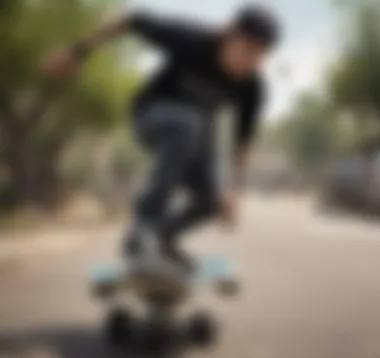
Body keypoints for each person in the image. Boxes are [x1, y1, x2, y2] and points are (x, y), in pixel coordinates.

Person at [43, 3, 281, 276]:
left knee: (214, 197)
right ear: (229, 34)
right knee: (188, 122)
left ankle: (163, 239)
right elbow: (129, 20)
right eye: (247, 50)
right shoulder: (193, 40)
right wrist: (76, 52)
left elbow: (243, 143)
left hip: (197, 138)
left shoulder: (253, 86)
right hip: (152, 117)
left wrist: (235, 191)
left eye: (260, 55)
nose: (250, 62)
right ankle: (144, 227)